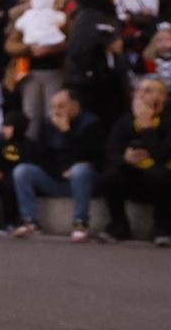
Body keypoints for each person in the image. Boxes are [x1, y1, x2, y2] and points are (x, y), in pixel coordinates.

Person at [97, 77, 171, 245]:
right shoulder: (125, 120)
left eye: (160, 92)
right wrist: (125, 158)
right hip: (134, 178)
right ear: (136, 96)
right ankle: (119, 226)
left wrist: (147, 128)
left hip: (164, 179)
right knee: (110, 175)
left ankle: (163, 229)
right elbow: (111, 150)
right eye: (147, 91)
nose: (154, 96)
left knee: (158, 174)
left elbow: (164, 155)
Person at [10, 89, 103, 237]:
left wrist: (66, 132)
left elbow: (91, 157)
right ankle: (30, 221)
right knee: (22, 171)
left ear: (75, 105)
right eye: (53, 107)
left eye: (61, 106)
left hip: (84, 181)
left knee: (79, 170)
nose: (56, 111)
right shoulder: (48, 125)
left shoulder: (91, 124)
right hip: (57, 177)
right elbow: (41, 157)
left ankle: (81, 222)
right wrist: (59, 171)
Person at [65, 0, 129, 128]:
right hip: (95, 87)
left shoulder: (105, 14)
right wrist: (105, 43)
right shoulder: (88, 16)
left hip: (109, 85)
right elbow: (79, 49)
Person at [8, 0, 69, 137]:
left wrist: (52, 48)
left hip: (54, 70)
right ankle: (31, 147)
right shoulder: (27, 17)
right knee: (31, 113)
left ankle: (55, 146)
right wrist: (29, 48)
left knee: (54, 112)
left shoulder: (60, 18)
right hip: (29, 71)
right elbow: (10, 45)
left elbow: (70, 42)